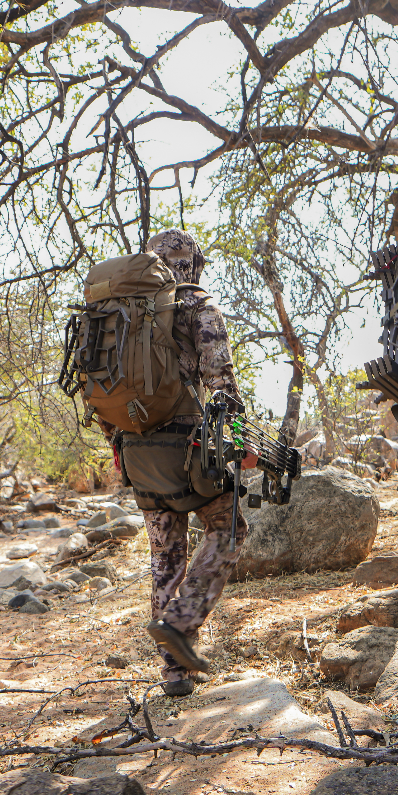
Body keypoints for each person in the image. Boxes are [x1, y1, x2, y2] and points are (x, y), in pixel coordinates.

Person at [99, 229, 249, 697]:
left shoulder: (116, 314)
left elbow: (100, 397)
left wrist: (122, 449)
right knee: (228, 530)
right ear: (193, 264)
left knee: (165, 557)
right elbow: (221, 381)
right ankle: (182, 623)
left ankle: (174, 674)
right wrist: (238, 442)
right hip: (189, 449)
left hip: (137, 452)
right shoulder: (198, 304)